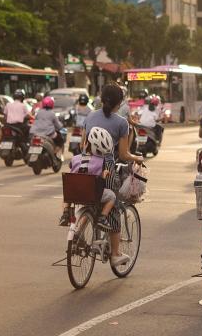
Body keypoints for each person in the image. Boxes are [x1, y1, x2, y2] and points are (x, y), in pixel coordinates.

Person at [82, 83, 143, 267]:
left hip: (85, 165)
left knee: (89, 200)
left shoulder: (90, 116)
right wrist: (137, 158)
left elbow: (81, 146)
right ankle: (115, 254)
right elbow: (124, 155)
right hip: (106, 167)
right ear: (120, 103)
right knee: (114, 205)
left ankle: (80, 228)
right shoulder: (121, 123)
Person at [61, 127, 119, 232]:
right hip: (91, 194)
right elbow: (100, 177)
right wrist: (104, 174)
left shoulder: (75, 158)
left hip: (74, 193)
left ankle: (65, 213)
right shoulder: (102, 161)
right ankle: (102, 217)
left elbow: (71, 166)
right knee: (111, 196)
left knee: (67, 194)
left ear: (86, 144)